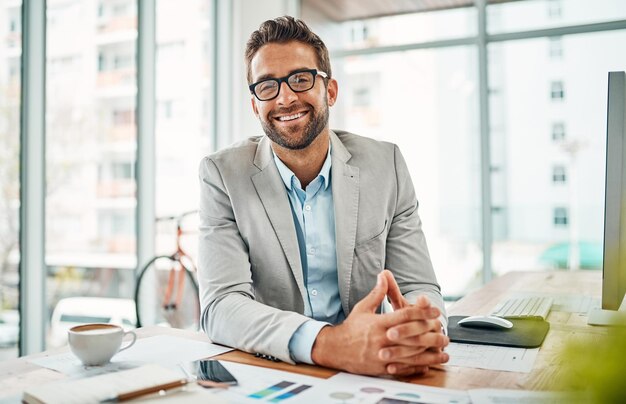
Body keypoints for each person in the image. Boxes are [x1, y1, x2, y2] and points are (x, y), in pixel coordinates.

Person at [198, 16, 449, 376]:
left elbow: (417, 284)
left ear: (329, 91)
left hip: (369, 371)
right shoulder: (221, 175)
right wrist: (331, 344)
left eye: (300, 79)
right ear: (255, 104)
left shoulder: (386, 164)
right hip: (272, 369)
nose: (285, 98)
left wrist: (422, 330)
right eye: (267, 86)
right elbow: (221, 305)